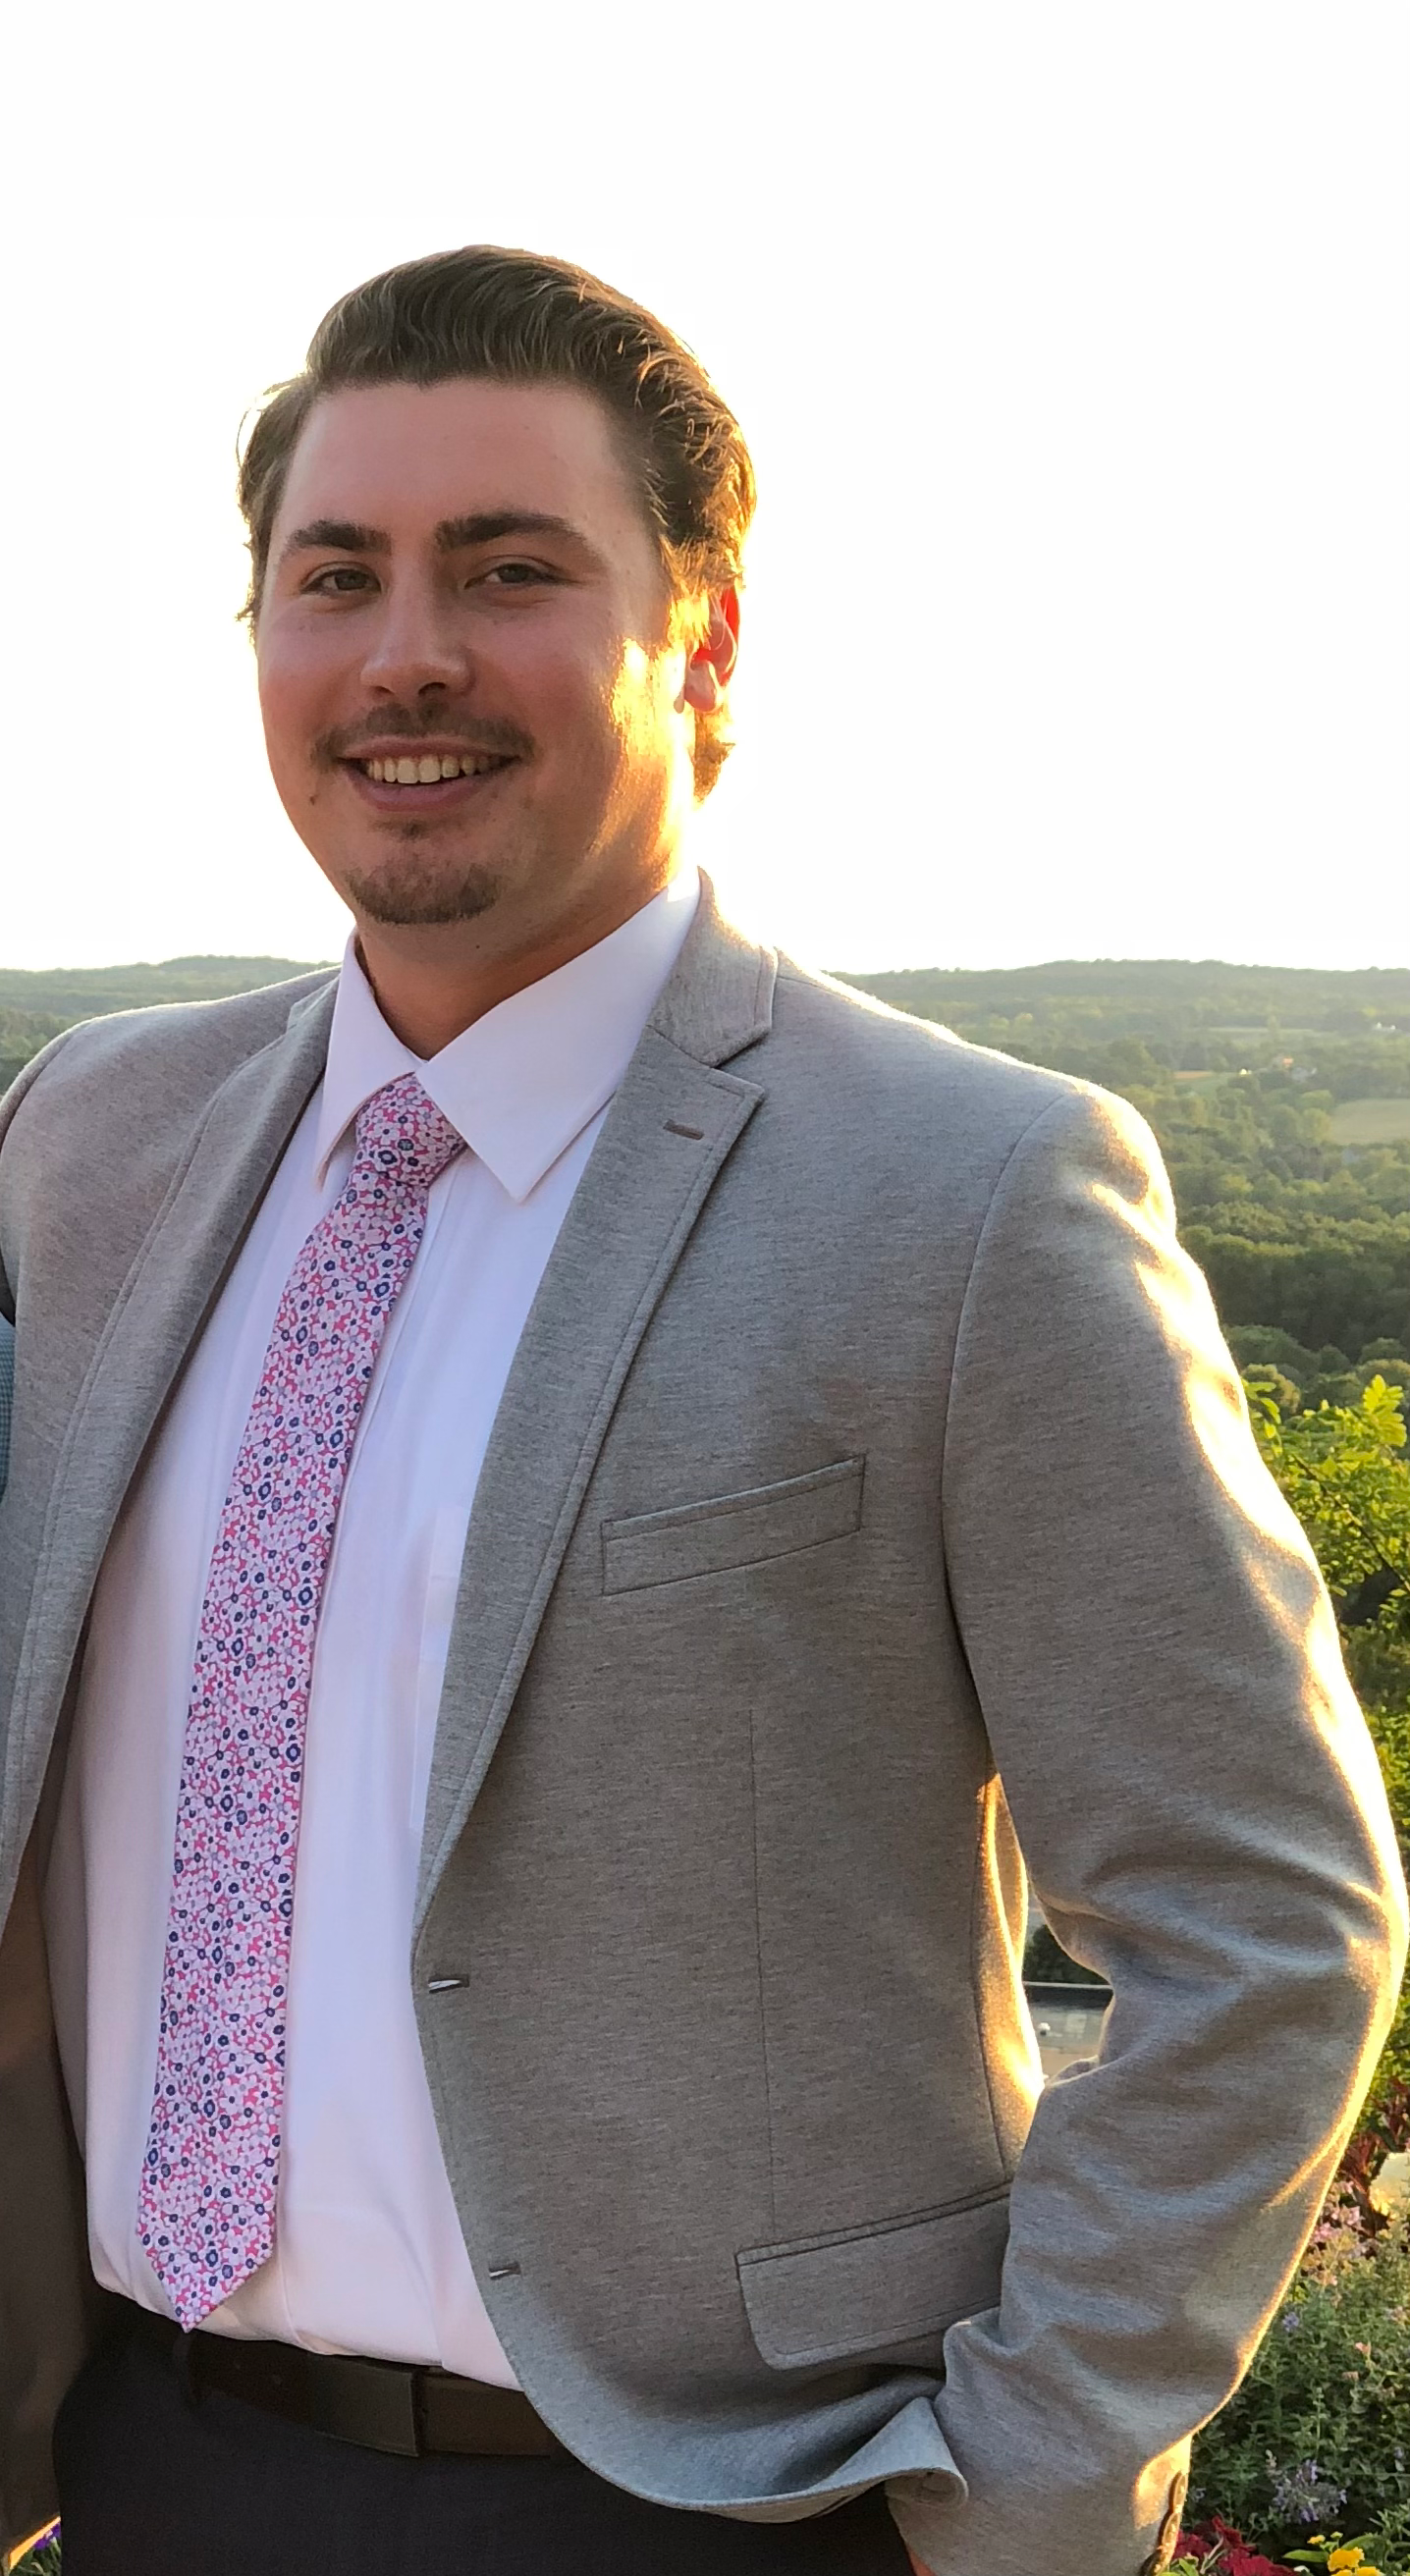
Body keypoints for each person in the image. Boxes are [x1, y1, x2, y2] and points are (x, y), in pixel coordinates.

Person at [0, 245, 1403, 2576]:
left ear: (708, 640)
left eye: (511, 567)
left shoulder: (970, 1198)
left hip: (716, 2515)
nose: (407, 649)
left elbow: (1266, 1920)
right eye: (332, 574)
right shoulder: (89, 1144)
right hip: (152, 2469)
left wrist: (1021, 2494)